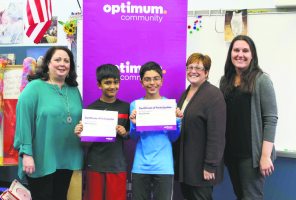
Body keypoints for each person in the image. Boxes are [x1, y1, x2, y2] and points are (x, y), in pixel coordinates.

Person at [13, 46, 83, 200]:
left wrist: (82, 127)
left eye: (66, 60)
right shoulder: (34, 88)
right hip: (40, 157)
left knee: (60, 197)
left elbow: (79, 118)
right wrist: (26, 154)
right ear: (48, 64)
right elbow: (23, 122)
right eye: (57, 59)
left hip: (67, 156)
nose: (62, 64)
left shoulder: (73, 90)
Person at [219, 35, 278, 200]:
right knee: (240, 195)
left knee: (251, 197)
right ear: (230, 54)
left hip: (252, 155)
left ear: (252, 55)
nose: (240, 54)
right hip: (231, 152)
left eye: (245, 51)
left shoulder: (261, 80)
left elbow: (271, 119)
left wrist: (265, 156)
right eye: (236, 50)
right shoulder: (225, 81)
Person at [173, 53, 226, 200]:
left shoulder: (213, 95)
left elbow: (217, 134)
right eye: (190, 67)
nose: (193, 71)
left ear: (206, 72)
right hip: (187, 165)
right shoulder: (185, 93)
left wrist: (210, 165)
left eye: (198, 67)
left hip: (202, 167)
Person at [74, 64, 130, 200]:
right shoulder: (90, 109)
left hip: (117, 166)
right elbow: (85, 144)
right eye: (107, 83)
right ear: (99, 85)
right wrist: (81, 135)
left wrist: (124, 133)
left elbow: (131, 135)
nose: (112, 86)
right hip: (95, 165)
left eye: (116, 82)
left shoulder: (126, 107)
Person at [129, 61, 181, 200]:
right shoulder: (135, 105)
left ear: (161, 81)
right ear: (141, 82)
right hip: (141, 166)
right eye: (147, 79)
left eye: (156, 78)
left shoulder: (170, 105)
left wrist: (177, 121)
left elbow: (174, 137)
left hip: (164, 166)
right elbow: (133, 137)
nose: (152, 83)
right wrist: (134, 124)